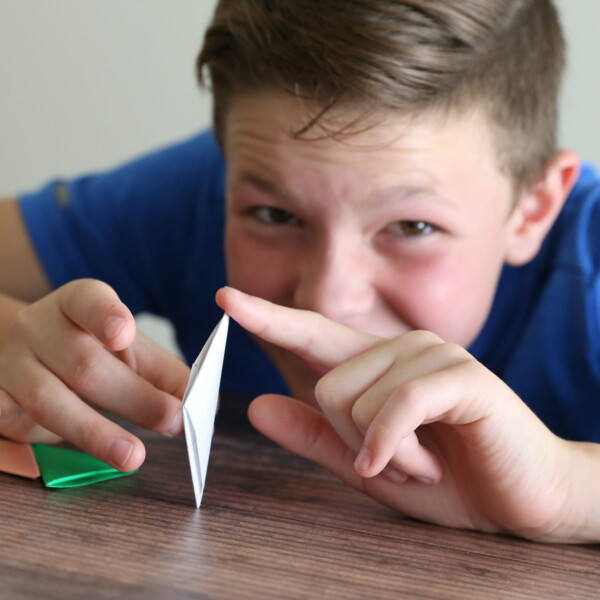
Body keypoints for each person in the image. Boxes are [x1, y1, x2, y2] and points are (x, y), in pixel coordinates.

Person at [0, 0, 598, 542]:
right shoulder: (199, 190)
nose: (328, 299)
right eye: (275, 215)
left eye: (413, 227)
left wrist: (565, 491)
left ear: (534, 207)